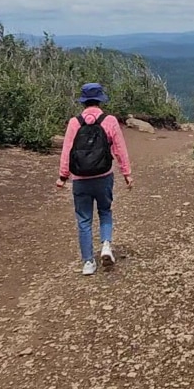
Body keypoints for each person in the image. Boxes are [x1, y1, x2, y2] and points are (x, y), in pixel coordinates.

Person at [56, 82, 132, 275]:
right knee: (105, 210)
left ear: (83, 101)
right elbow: (120, 149)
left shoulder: (75, 122)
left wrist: (63, 176)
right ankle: (106, 244)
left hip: (80, 178)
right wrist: (127, 173)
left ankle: (88, 262)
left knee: (83, 219)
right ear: (100, 99)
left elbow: (67, 151)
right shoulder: (110, 121)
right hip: (104, 176)